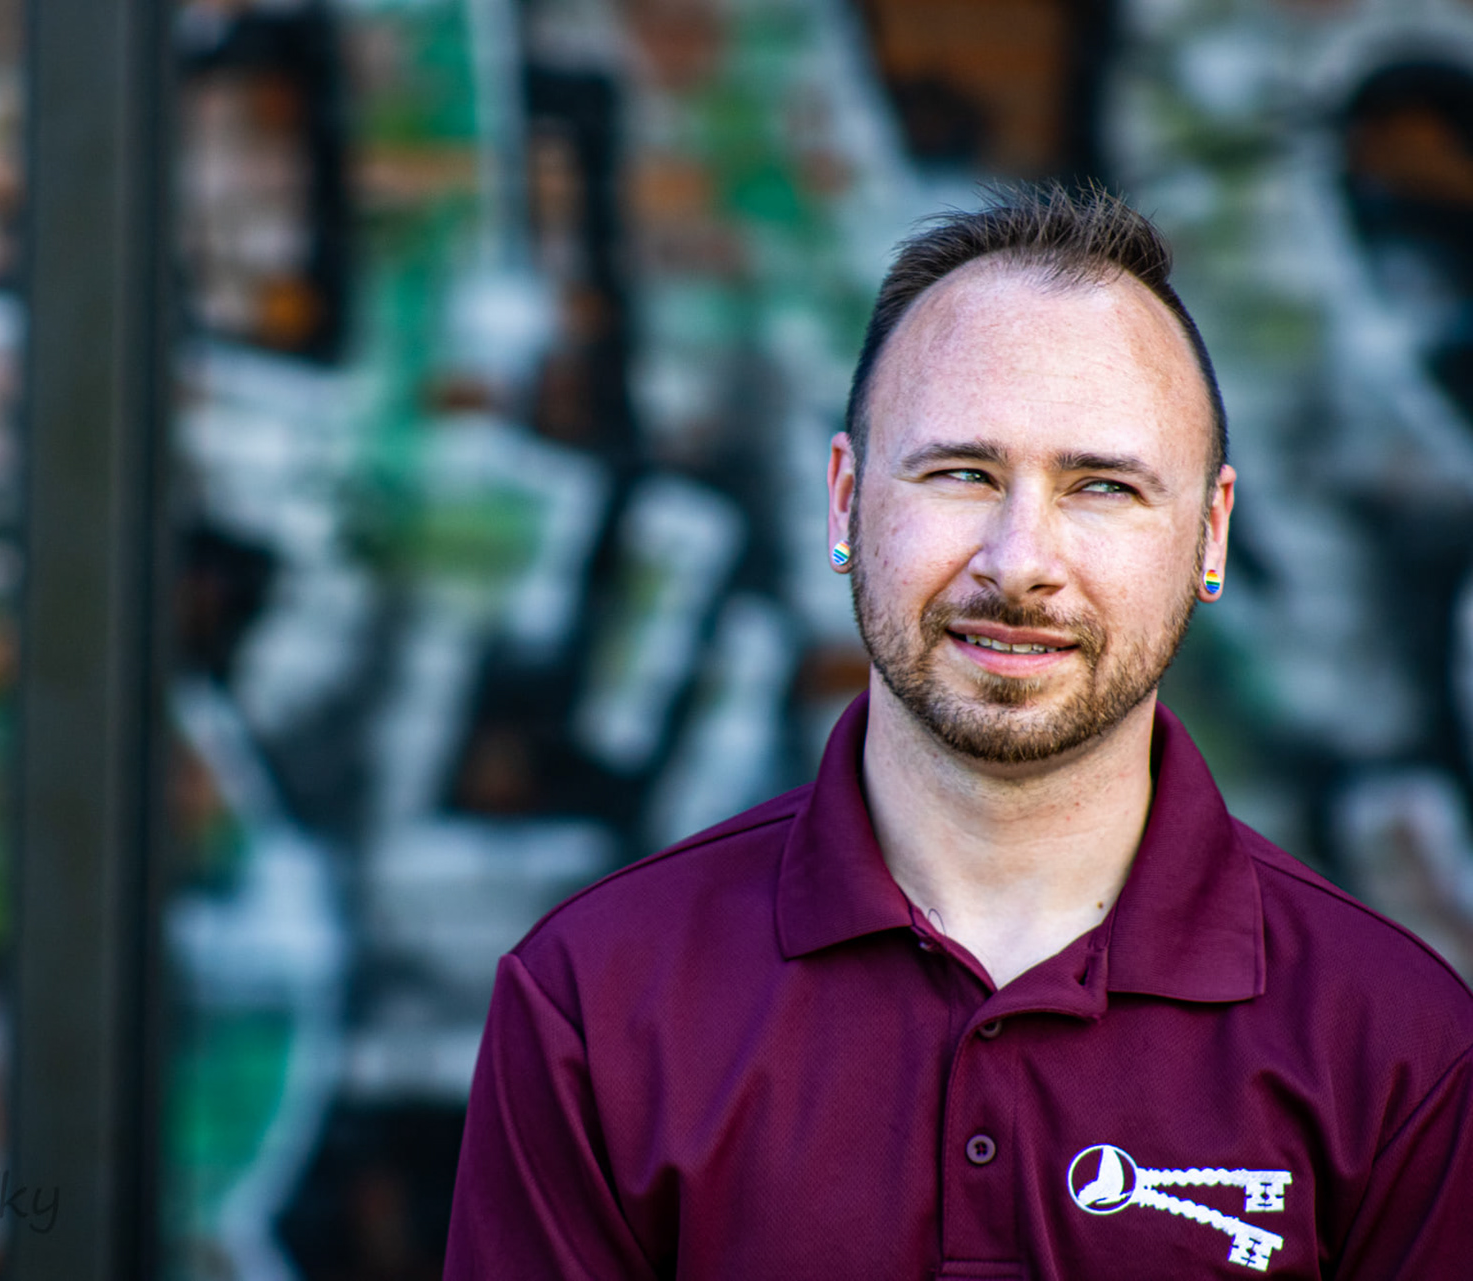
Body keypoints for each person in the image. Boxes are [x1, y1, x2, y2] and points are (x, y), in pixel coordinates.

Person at [442, 184, 1473, 1279]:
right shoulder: (594, 1001)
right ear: (844, 501)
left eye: (1103, 487)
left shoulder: (1400, 1048)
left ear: (1211, 535)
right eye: (962, 473)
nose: (1019, 561)